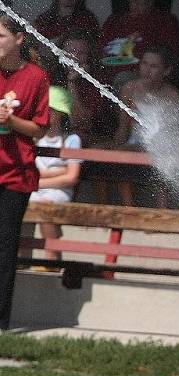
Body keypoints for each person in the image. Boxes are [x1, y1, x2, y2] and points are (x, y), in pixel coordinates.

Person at [0, 15, 50, 330]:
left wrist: (10, 122)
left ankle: (1, 322)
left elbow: (40, 129)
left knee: (5, 249)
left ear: (19, 38)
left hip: (15, 176)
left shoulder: (36, 77)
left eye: (1, 36)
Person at [108, 44, 179, 207]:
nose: (147, 70)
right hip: (132, 144)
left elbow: (171, 134)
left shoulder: (172, 96)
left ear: (166, 70)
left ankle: (162, 210)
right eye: (144, 64)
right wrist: (114, 145)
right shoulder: (129, 88)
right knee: (101, 152)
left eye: (154, 66)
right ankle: (129, 207)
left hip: (158, 147)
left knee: (161, 157)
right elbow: (123, 127)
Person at [28, 86, 82, 266]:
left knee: (44, 207)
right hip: (34, 186)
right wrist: (56, 172)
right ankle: (21, 256)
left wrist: (39, 182)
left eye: (50, 110)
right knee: (18, 202)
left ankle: (52, 259)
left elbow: (71, 177)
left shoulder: (71, 139)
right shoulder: (34, 136)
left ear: (61, 114)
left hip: (59, 191)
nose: (46, 113)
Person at [99, 0, 179, 89]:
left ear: (150, 2)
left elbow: (170, 54)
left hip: (145, 73)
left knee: (124, 79)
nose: (135, 5)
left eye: (140, 3)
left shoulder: (165, 21)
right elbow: (101, 47)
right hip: (111, 72)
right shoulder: (114, 20)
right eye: (133, 2)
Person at [62, 28, 116, 147]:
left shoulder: (98, 82)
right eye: (71, 52)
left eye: (81, 53)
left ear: (90, 57)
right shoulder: (53, 75)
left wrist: (71, 83)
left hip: (94, 138)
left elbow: (80, 122)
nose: (75, 57)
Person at [34, 0, 100, 44]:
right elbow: (36, 42)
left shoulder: (87, 18)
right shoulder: (44, 19)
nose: (69, 0)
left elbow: (92, 43)